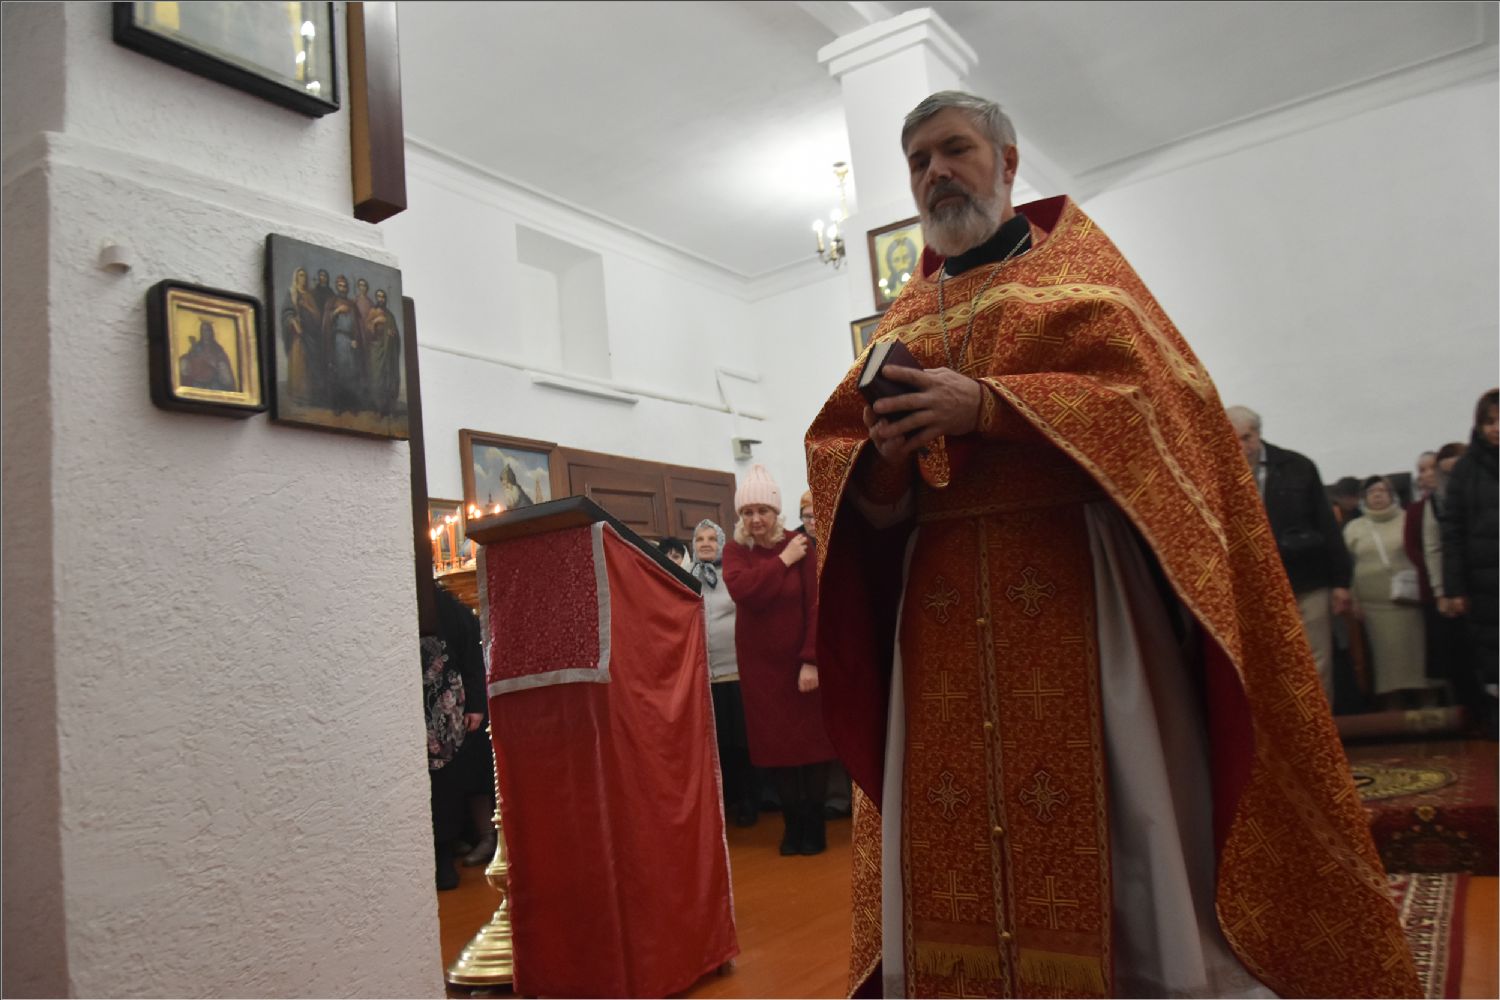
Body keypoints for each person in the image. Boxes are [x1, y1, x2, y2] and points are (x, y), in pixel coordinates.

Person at [805, 90, 1414, 998]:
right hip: (939, 617)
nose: (936, 173)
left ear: (1008, 162)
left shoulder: (1085, 281)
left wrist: (993, 406)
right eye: (919, 160)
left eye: (955, 149)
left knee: (1121, 804)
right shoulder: (899, 323)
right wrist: (884, 464)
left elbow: (1162, 413)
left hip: (1082, 592)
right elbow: (856, 487)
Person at [722, 464, 835, 857]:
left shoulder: (802, 545)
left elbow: (816, 606)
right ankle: (792, 825)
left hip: (800, 664)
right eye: (747, 512)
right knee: (778, 751)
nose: (755, 519)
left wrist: (812, 660)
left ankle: (814, 825)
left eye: (763, 511)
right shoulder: (737, 551)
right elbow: (744, 592)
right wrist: (782, 561)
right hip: (761, 673)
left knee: (813, 748)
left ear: (776, 511)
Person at [1226, 406, 1352, 701]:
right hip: (1255, 585)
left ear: (1259, 434)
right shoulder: (1217, 474)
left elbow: (1326, 524)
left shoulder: (1297, 466)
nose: (1241, 446)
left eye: (1247, 437)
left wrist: (1341, 582)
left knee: (1315, 658)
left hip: (1307, 577)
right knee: (1270, 660)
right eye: (1233, 439)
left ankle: (1319, 724)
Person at [1344, 476, 1433, 708]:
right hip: (1373, 606)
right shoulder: (1354, 528)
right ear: (1364, 498)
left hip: (1409, 601)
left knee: (1418, 655)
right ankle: (1393, 707)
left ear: (1392, 495)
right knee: (1386, 660)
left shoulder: (1408, 519)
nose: (1377, 495)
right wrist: (1353, 598)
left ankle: (1428, 702)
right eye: (1372, 491)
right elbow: (1346, 566)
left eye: (1383, 490)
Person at [692, 519, 758, 827]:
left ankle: (748, 801)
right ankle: (726, 801)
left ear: (721, 543)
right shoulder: (685, 577)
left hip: (736, 673)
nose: (705, 543)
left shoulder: (733, 575)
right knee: (716, 745)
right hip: (703, 678)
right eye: (700, 539)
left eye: (711, 538)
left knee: (741, 743)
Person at [1440, 389, 1499, 737]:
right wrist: (1455, 587)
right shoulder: (1465, 470)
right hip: (1484, 582)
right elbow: (1453, 531)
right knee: (1492, 653)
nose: (1496, 428)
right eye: (1489, 421)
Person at [426, 583, 488, 890]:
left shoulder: (448, 608)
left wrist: (476, 705)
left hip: (447, 712)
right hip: (423, 708)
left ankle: (447, 855)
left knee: (447, 783)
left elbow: (473, 658)